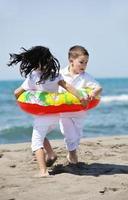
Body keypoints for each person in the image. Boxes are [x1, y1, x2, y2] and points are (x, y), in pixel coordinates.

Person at [8, 46, 87, 177]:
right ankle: (51, 154)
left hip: (42, 115)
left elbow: (17, 92)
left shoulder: (33, 76)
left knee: (36, 142)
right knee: (42, 135)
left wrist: (22, 99)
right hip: (55, 114)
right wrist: (80, 97)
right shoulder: (55, 74)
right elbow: (68, 87)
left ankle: (43, 171)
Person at [59, 45, 102, 164]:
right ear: (71, 61)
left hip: (79, 112)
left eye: (86, 62)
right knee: (68, 134)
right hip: (64, 111)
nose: (84, 65)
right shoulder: (60, 74)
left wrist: (93, 92)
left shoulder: (86, 77)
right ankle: (73, 155)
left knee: (77, 135)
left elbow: (99, 87)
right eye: (81, 62)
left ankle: (71, 152)